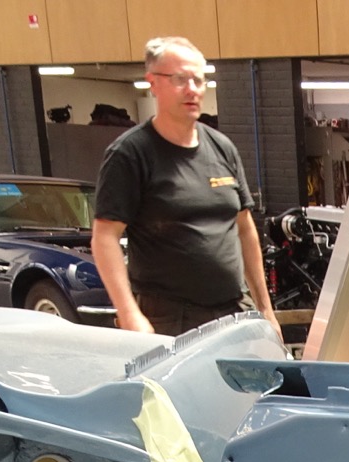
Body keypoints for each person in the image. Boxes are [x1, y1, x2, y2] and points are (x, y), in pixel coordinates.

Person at [90, 36, 276, 337]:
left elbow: (244, 229)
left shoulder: (222, 147)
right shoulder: (130, 154)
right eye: (180, 79)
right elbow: (105, 238)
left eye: (198, 80)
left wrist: (265, 310)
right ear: (153, 83)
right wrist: (130, 314)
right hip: (168, 320)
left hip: (233, 311)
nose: (192, 89)